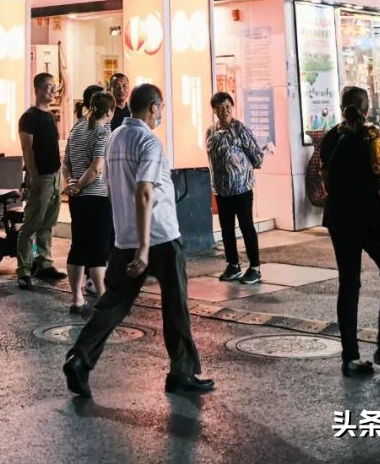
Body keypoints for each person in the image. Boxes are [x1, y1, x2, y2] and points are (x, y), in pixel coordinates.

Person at [63, 83, 213, 399]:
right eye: (161, 108)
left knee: (113, 302)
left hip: (125, 236)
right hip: (158, 235)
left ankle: (80, 357)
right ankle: (181, 372)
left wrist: (133, 241)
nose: (161, 114)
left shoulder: (116, 137)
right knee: (176, 304)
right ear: (153, 107)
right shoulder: (149, 141)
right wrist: (144, 248)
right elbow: (144, 191)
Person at [319, 84, 380, 377]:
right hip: (368, 219)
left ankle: (351, 358)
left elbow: (326, 178)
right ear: (367, 109)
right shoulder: (371, 138)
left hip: (338, 218)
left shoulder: (331, 138)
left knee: (349, 283)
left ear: (342, 108)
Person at [63, 90, 115, 313]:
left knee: (78, 246)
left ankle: (76, 298)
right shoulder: (103, 133)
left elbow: (65, 163)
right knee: (98, 249)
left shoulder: (76, 128)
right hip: (96, 196)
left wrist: (71, 185)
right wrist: (80, 186)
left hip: (77, 200)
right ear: (110, 111)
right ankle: (103, 298)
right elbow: (97, 168)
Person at [205, 91, 263, 283]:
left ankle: (255, 267)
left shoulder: (240, 129)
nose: (224, 111)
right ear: (214, 110)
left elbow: (256, 155)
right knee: (226, 229)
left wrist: (241, 170)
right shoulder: (210, 132)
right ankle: (233, 265)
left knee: (246, 226)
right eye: (220, 108)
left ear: (232, 107)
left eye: (227, 107)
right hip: (221, 190)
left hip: (242, 189)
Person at [17, 72, 66, 289]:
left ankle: (44, 263)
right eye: (47, 86)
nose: (52, 90)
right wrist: (33, 177)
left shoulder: (49, 116)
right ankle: (24, 270)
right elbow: (27, 149)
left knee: (48, 223)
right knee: (31, 224)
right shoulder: (29, 117)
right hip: (41, 177)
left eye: (53, 87)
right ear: (37, 89)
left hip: (55, 176)